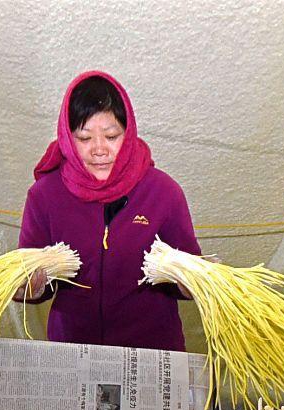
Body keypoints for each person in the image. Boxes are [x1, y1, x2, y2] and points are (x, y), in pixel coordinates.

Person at [13, 71, 211, 351]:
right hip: (72, 348)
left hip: (152, 348)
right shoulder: (45, 195)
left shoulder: (163, 192)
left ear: (128, 134)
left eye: (111, 135)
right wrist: (28, 289)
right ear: (67, 138)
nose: (99, 149)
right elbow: (34, 280)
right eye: (84, 138)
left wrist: (195, 281)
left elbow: (187, 276)